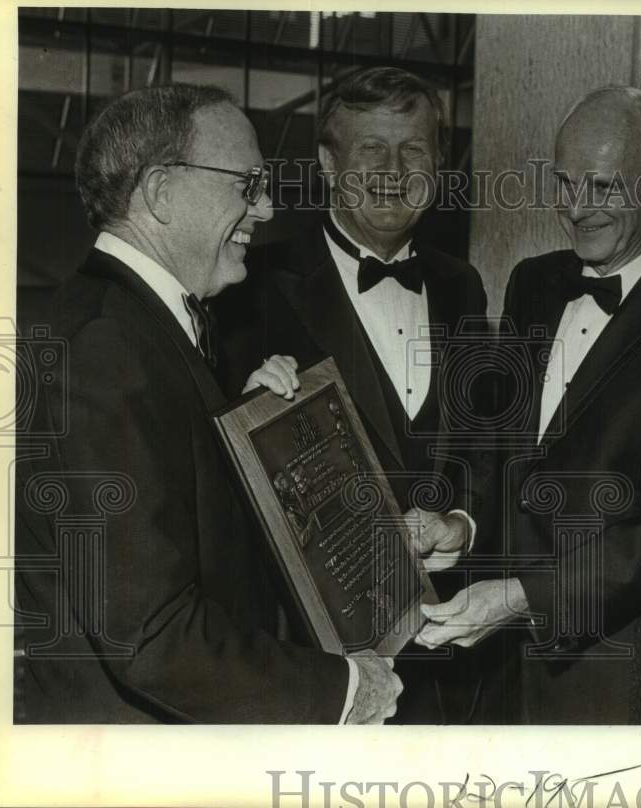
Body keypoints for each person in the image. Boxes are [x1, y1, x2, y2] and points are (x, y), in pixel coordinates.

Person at [14, 83, 401, 724]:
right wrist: (341, 692)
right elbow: (152, 636)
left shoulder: (139, 322)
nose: (268, 208)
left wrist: (245, 424)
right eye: (246, 184)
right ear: (162, 193)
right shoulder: (104, 346)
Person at [416, 85, 641, 723]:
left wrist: (527, 597)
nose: (576, 209)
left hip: (615, 672)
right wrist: (465, 525)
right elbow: (505, 448)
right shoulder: (534, 281)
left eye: (602, 187)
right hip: (496, 667)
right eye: (564, 184)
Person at [215, 67, 490, 722]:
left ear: (440, 164)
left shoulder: (463, 286)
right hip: (312, 667)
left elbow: (485, 445)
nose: (394, 169)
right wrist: (245, 403)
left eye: (414, 149)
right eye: (371, 150)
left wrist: (465, 524)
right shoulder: (249, 282)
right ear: (328, 164)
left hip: (450, 664)